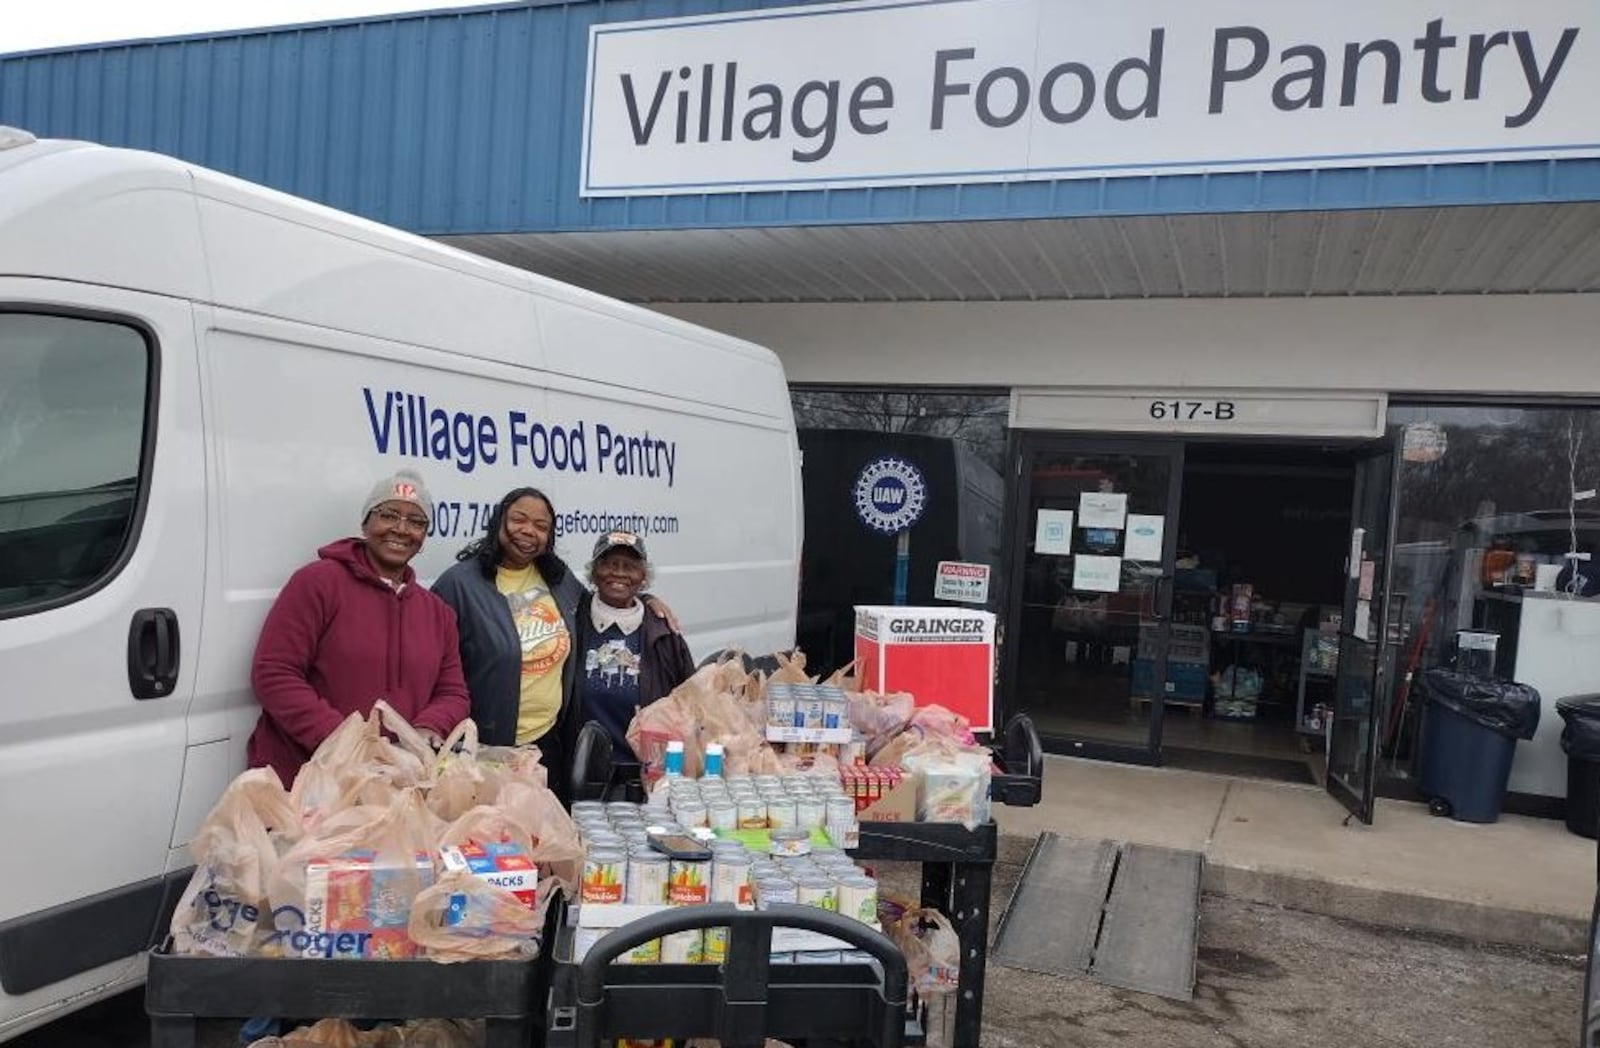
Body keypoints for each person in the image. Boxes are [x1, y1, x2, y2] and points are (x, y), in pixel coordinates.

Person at [431, 488, 678, 792]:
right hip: (484, 750)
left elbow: (603, 600)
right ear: (498, 522)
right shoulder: (459, 584)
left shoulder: (556, 579)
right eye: (518, 520)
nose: (528, 531)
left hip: (548, 745)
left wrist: (646, 599)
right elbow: (432, 668)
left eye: (541, 526)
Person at [248, 470, 469, 788]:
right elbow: (274, 674)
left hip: (395, 786)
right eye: (388, 515)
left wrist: (421, 734)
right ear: (366, 523)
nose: (401, 529)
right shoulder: (317, 583)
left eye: (416, 521)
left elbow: (453, 693)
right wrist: (347, 742)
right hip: (306, 781)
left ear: (423, 538)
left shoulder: (438, 613)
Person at [575, 530, 696, 760]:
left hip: (645, 773)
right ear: (594, 571)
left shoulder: (664, 633)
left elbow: (689, 704)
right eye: (609, 564)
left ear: (643, 576)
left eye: (630, 566)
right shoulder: (572, 619)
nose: (619, 573)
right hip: (580, 773)